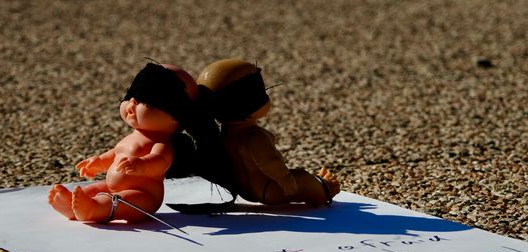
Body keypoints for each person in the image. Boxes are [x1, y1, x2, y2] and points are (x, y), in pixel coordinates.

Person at [48, 63, 198, 223]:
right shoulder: (131, 137)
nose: (131, 104)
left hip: (144, 195)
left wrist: (142, 165)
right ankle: (74, 206)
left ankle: (94, 209)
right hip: (113, 187)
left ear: (176, 117)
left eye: (145, 101)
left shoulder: (161, 144)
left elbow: (161, 161)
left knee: (122, 201)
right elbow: (114, 154)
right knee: (93, 190)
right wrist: (98, 162)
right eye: (130, 97)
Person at [197, 58, 340, 206]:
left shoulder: (226, 133)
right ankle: (324, 189)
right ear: (251, 102)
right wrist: (285, 178)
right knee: (303, 179)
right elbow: (269, 161)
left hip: (245, 191)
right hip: (268, 189)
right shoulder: (253, 135)